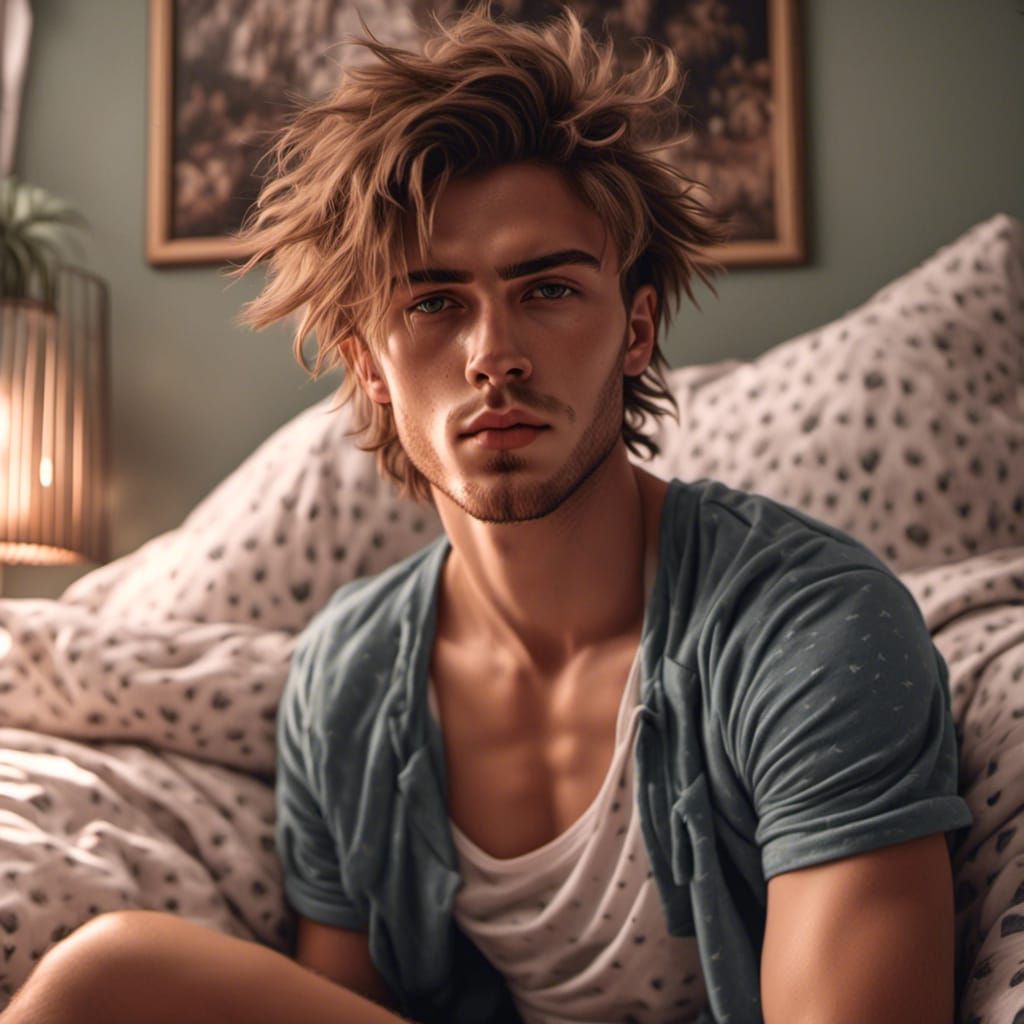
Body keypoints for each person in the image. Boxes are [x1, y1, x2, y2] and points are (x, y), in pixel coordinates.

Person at [0, 4, 971, 1024]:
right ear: (369, 368)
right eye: (432, 302)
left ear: (636, 329)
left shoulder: (814, 626)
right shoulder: (345, 678)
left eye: (546, 290)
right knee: (107, 970)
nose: (492, 355)